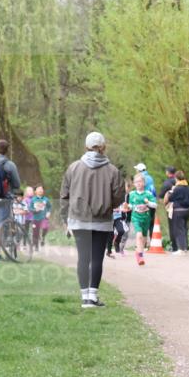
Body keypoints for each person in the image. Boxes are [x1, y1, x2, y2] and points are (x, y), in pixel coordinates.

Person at [60, 131, 125, 308]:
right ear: (103, 147)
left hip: (79, 219)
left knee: (83, 258)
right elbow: (119, 196)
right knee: (97, 258)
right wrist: (108, 205)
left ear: (86, 147)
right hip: (102, 220)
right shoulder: (113, 171)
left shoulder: (73, 168)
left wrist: (65, 216)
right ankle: (93, 297)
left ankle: (84, 297)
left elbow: (64, 195)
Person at [127, 172, 157, 266]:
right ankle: (140, 256)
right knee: (139, 235)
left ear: (144, 183)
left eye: (140, 182)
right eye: (136, 182)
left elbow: (155, 205)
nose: (138, 183)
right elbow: (131, 205)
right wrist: (127, 206)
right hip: (136, 218)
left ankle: (139, 253)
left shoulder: (148, 194)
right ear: (134, 184)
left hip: (146, 218)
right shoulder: (132, 194)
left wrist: (148, 203)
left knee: (143, 238)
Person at [164, 170, 189, 254]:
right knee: (184, 229)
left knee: (178, 230)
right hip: (187, 211)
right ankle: (185, 247)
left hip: (178, 211)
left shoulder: (177, 188)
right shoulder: (188, 188)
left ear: (176, 178)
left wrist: (171, 192)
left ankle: (180, 248)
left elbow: (170, 198)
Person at [159, 166, 178, 251]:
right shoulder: (179, 181)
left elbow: (161, 195)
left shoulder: (167, 183)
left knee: (172, 226)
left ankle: (174, 246)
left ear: (167, 172)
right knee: (180, 227)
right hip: (181, 206)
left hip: (170, 207)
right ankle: (183, 245)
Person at [29, 185, 52, 250]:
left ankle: (43, 237)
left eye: (41, 189)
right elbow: (30, 208)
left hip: (44, 217)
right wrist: (34, 210)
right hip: (35, 218)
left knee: (45, 228)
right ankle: (36, 246)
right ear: (35, 191)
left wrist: (48, 212)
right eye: (39, 189)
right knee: (35, 232)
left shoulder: (46, 199)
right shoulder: (33, 199)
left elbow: (49, 207)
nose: (40, 190)